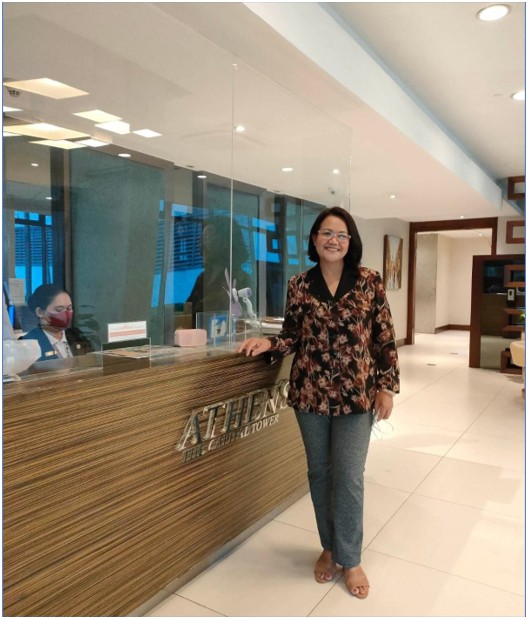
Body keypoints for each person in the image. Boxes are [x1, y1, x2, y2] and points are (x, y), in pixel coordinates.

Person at [237, 206, 400, 599]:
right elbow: (292, 335)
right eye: (326, 233)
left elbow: (384, 336)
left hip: (357, 396)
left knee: (349, 476)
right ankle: (329, 547)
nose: (333, 240)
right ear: (314, 239)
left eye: (341, 235)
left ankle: (351, 558)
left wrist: (387, 386)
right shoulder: (300, 284)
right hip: (310, 394)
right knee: (320, 474)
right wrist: (268, 343)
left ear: (350, 241)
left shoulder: (368, 281)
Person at [187, 215, 251, 321]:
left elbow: (241, 320)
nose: (202, 245)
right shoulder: (202, 278)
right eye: (201, 239)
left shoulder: (239, 279)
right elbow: (188, 311)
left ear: (226, 242)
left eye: (207, 238)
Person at [21, 283, 93, 361]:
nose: (66, 314)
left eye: (69, 308)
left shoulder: (77, 336)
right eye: (59, 309)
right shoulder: (28, 343)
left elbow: (91, 362)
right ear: (40, 312)